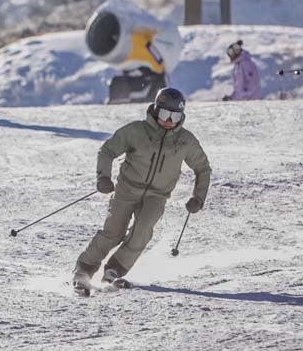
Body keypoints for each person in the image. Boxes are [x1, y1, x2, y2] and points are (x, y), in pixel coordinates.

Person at [72, 87, 211, 294]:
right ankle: (83, 271)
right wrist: (103, 177)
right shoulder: (137, 131)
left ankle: (113, 271)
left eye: (175, 116)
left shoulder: (185, 141)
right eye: (165, 114)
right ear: (156, 110)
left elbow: (203, 168)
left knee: (142, 231)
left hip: (157, 195)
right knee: (113, 232)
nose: (169, 120)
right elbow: (107, 150)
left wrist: (198, 198)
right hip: (127, 189)